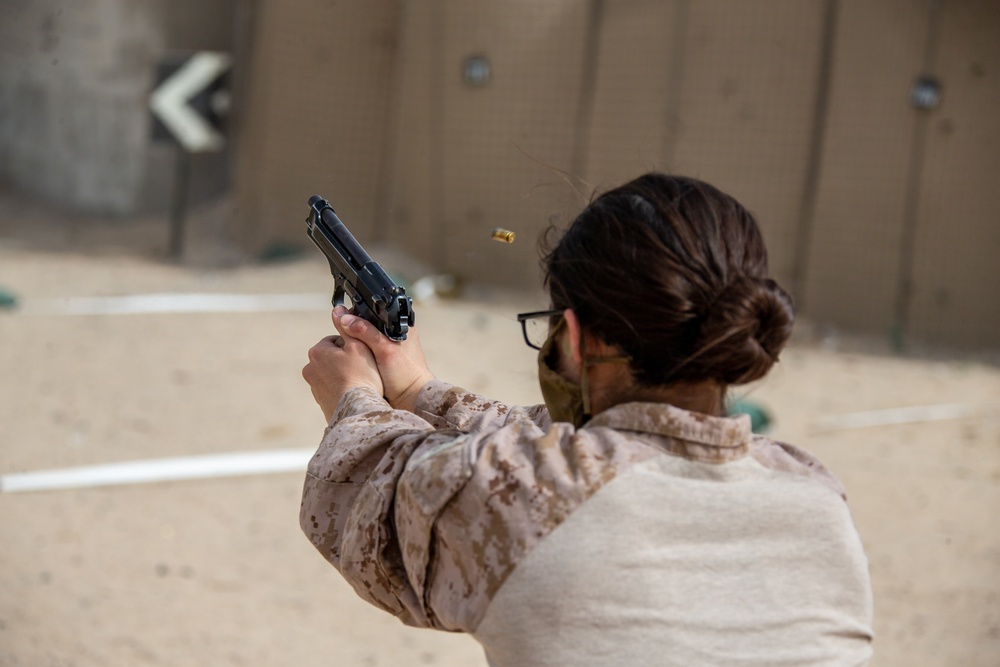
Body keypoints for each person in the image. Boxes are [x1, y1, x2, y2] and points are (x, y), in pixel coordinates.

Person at [300, 173, 874, 666]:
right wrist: (416, 390)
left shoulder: (527, 495)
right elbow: (590, 454)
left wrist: (354, 397)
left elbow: (366, 488)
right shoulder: (816, 494)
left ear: (579, 337)